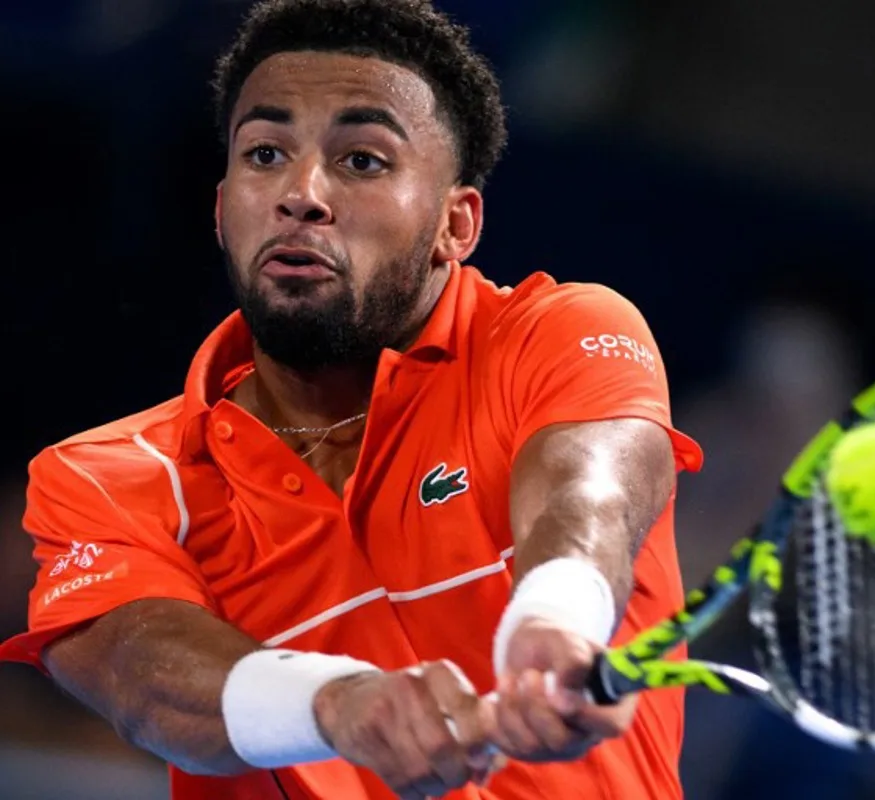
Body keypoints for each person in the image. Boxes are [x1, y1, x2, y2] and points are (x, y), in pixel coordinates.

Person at [0, 1, 703, 798]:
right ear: (222, 210)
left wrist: (555, 621)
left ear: (456, 225)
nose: (301, 194)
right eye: (265, 153)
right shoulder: (100, 477)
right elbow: (139, 676)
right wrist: (336, 702)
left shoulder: (555, 333)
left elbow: (591, 501)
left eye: (362, 161)